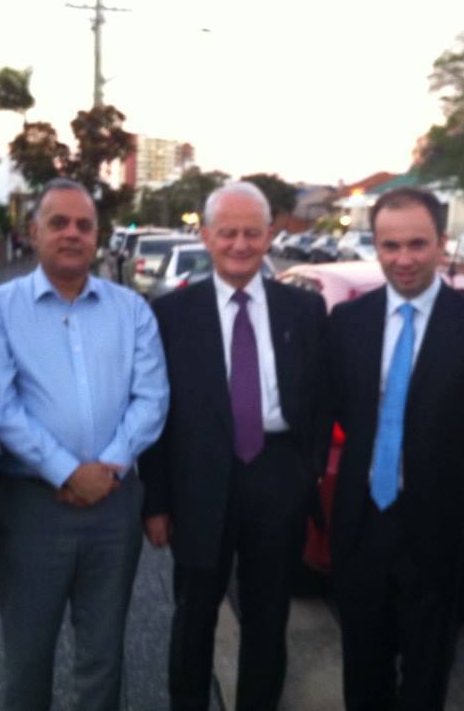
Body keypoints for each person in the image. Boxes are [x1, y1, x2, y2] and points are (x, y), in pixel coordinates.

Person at [0, 178, 168, 711]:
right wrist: (66, 471)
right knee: (28, 655)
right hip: (31, 507)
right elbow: (2, 407)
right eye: (58, 223)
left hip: (114, 504)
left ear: (97, 236)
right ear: (33, 232)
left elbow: (152, 397)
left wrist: (108, 467)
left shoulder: (132, 310)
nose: (72, 233)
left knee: (103, 654)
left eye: (84, 225)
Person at [140, 181, 329, 710]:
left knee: (269, 617)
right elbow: (156, 412)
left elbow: (322, 397)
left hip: (278, 476)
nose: (240, 244)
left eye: (251, 233)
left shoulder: (305, 309)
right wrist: (156, 502)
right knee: (194, 614)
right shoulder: (172, 314)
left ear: (269, 236)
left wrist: (308, 471)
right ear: (206, 237)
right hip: (200, 480)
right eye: (228, 233)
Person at [327, 187, 464, 710]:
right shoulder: (348, 323)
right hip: (362, 523)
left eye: (416, 244)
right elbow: (336, 411)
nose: (403, 258)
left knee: (427, 673)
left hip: (438, 530)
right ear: (376, 246)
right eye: (390, 245)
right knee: (363, 667)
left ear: (441, 243)